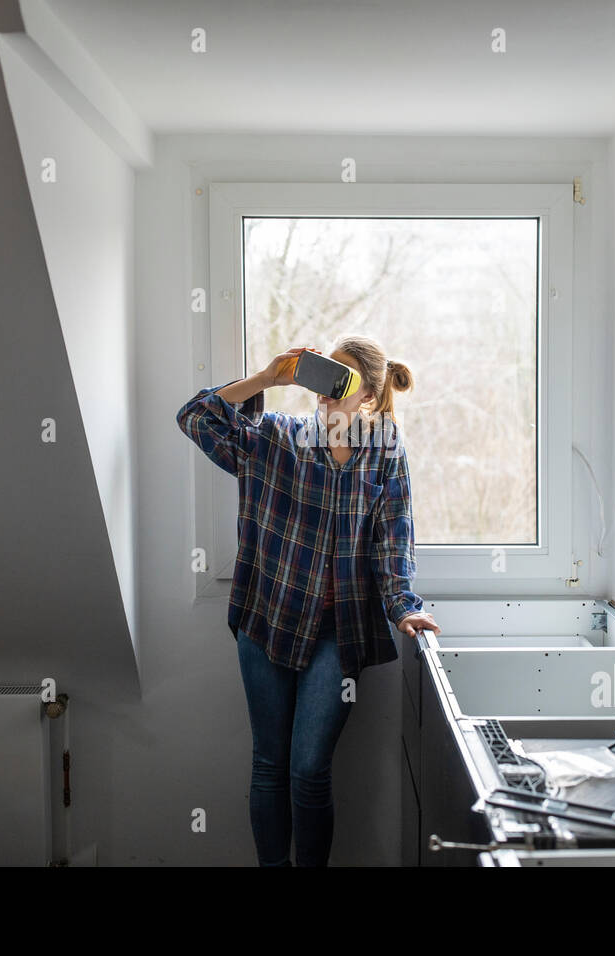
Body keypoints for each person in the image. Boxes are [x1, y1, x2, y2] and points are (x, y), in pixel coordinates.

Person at [176, 333, 441, 866]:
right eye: (322, 374)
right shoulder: (276, 437)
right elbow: (194, 417)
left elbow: (393, 538)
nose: (325, 389)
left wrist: (403, 606)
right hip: (268, 621)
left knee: (308, 769)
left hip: (338, 634)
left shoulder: (385, 452)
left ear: (366, 394)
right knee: (270, 764)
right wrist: (269, 378)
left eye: (340, 378)